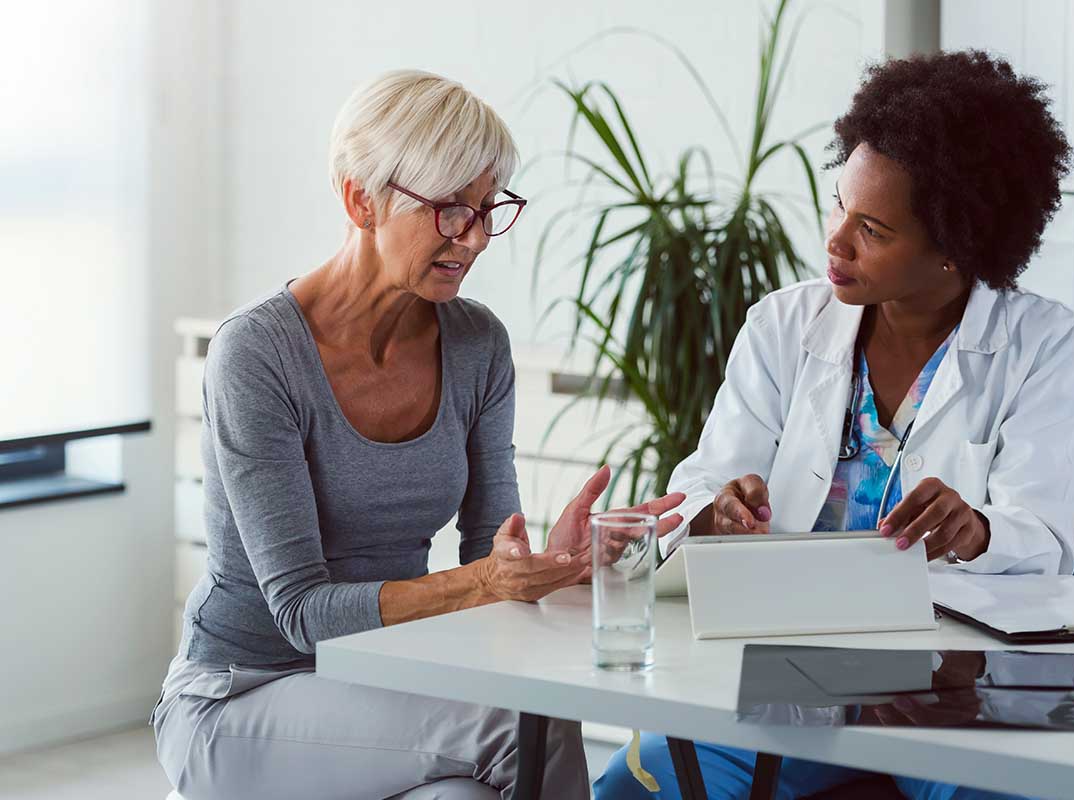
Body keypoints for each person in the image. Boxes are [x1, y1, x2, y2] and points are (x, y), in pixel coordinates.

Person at [150, 69, 684, 800]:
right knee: (522, 726)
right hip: (238, 698)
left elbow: (489, 561)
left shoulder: (476, 344)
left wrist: (551, 565)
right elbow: (302, 614)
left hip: (385, 687)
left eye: (488, 209)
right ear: (360, 200)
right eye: (450, 210)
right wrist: (486, 581)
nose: (476, 237)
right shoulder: (258, 353)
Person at [594, 50, 1074, 800]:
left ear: (955, 248)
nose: (835, 241)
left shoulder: (1042, 345)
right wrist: (716, 514)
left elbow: (1044, 535)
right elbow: (697, 487)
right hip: (787, 672)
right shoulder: (783, 326)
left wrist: (976, 530)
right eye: (838, 207)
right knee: (643, 783)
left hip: (950, 684)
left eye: (873, 230)